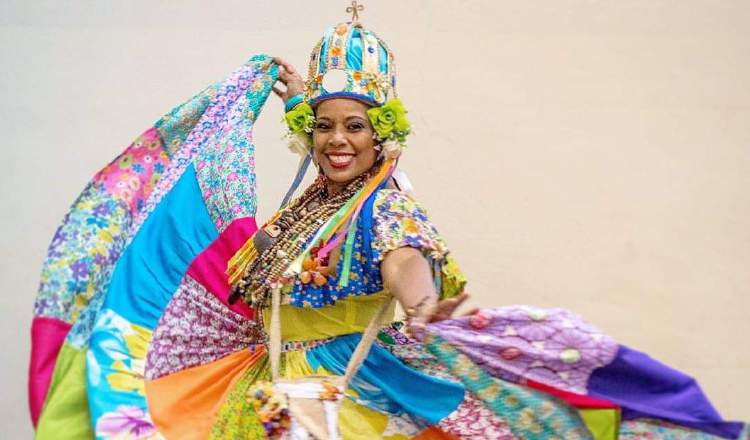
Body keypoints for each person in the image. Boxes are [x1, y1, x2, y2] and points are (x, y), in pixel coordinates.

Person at [29, 18, 748, 440]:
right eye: (325, 127)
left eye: (355, 127)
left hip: (343, 395)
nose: (338, 141)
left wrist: (419, 299)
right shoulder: (303, 207)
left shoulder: (385, 204)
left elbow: (405, 255)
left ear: (382, 136)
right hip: (266, 391)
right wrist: (259, 95)